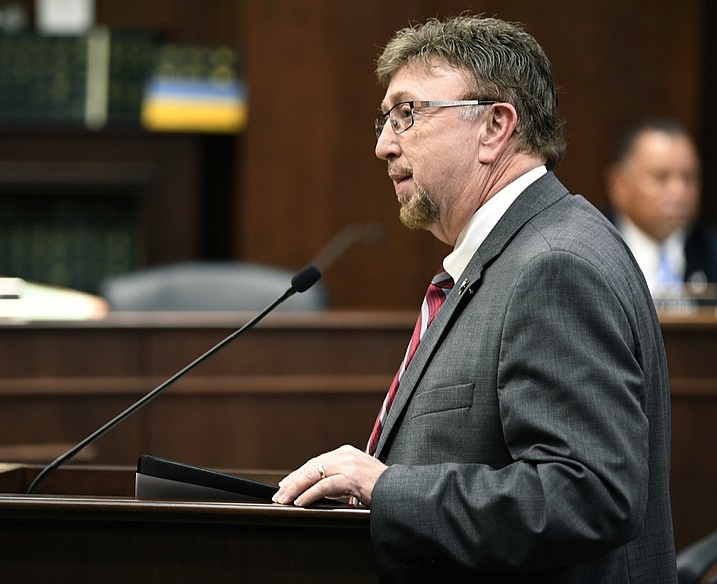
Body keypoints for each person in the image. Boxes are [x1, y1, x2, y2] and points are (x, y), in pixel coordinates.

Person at [272, 15, 677, 583]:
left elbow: (588, 495)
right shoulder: (522, 252)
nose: (383, 144)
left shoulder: (554, 265)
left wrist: (385, 486)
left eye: (407, 114)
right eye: (385, 120)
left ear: (493, 127)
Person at [605, 118, 717, 298]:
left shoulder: (711, 251)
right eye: (661, 177)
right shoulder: (592, 247)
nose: (679, 193)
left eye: (689, 178)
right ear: (619, 185)